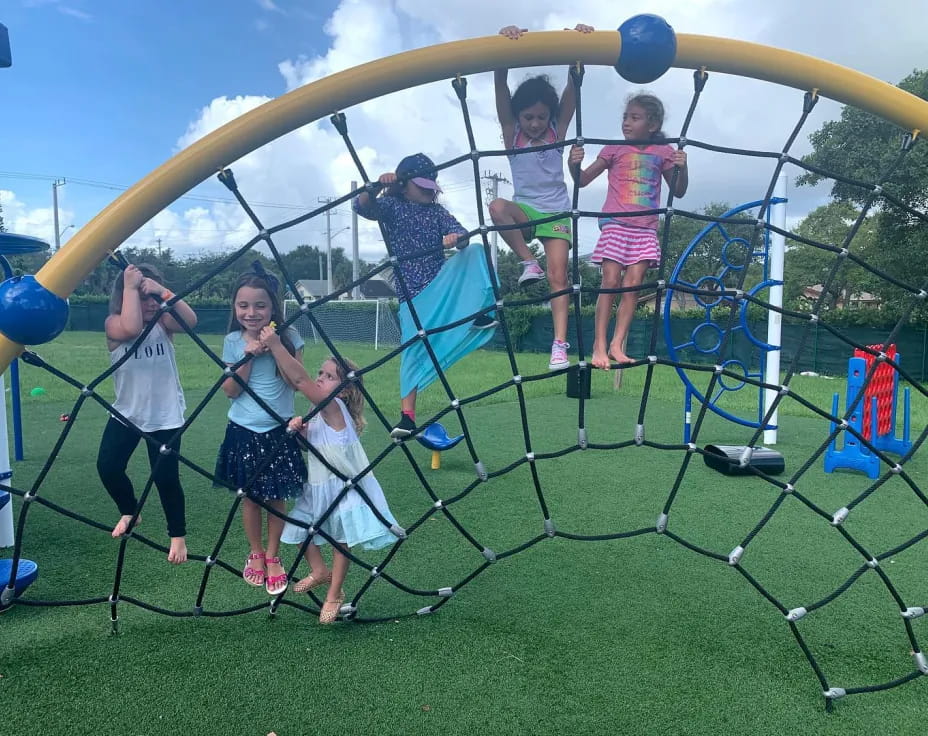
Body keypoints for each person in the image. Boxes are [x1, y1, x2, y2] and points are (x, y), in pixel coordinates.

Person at [354, 152, 497, 439]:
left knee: (477, 251)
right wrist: (377, 186)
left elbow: (462, 234)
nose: (429, 192)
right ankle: (407, 418)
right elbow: (362, 206)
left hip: (440, 283)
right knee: (413, 351)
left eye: (433, 187)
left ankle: (480, 313)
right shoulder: (392, 206)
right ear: (405, 185)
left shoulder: (437, 212)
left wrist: (457, 240)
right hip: (411, 293)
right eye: (423, 187)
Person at [259, 334, 399, 625]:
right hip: (317, 488)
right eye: (320, 373)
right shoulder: (318, 411)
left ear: (345, 391)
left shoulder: (335, 408)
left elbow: (300, 381)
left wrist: (275, 346)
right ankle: (320, 571)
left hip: (342, 488)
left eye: (329, 376)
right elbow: (314, 444)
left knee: (339, 541)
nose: (320, 378)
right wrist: (300, 432)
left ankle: (334, 594)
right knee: (296, 531)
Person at [491, 23, 594, 371]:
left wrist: (577, 50)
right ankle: (525, 261)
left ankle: (559, 346)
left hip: (557, 214)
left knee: (558, 277)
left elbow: (572, 90)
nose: (535, 123)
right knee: (496, 207)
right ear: (518, 117)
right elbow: (500, 86)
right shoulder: (512, 134)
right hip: (525, 210)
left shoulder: (556, 131)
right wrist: (503, 50)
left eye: (541, 117)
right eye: (528, 117)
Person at [569, 93, 689, 369]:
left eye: (634, 118)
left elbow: (679, 191)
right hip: (615, 222)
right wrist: (573, 163)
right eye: (625, 117)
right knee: (610, 280)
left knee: (633, 286)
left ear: (653, 124)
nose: (626, 122)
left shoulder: (664, 153)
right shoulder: (614, 149)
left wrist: (684, 167)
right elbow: (583, 181)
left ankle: (616, 344)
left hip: (645, 228)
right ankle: (599, 344)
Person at [96, 263, 198, 565]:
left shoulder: (165, 324)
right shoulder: (114, 324)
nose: (151, 303)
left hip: (165, 415)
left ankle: (177, 536)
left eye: (153, 297)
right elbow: (131, 328)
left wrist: (160, 290)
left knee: (166, 478)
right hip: (127, 413)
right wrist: (131, 287)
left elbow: (191, 321)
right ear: (124, 297)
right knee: (108, 467)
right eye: (144, 298)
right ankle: (130, 510)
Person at [215, 264, 306, 596]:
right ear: (235, 308)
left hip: (278, 430)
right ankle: (255, 552)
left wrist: (276, 345)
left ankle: (273, 554)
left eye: (260, 305)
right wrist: (248, 354)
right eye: (243, 306)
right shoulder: (231, 341)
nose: (251, 313)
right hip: (243, 429)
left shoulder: (291, 336)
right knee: (250, 497)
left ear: (272, 308)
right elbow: (231, 390)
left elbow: (294, 382)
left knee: (276, 497)